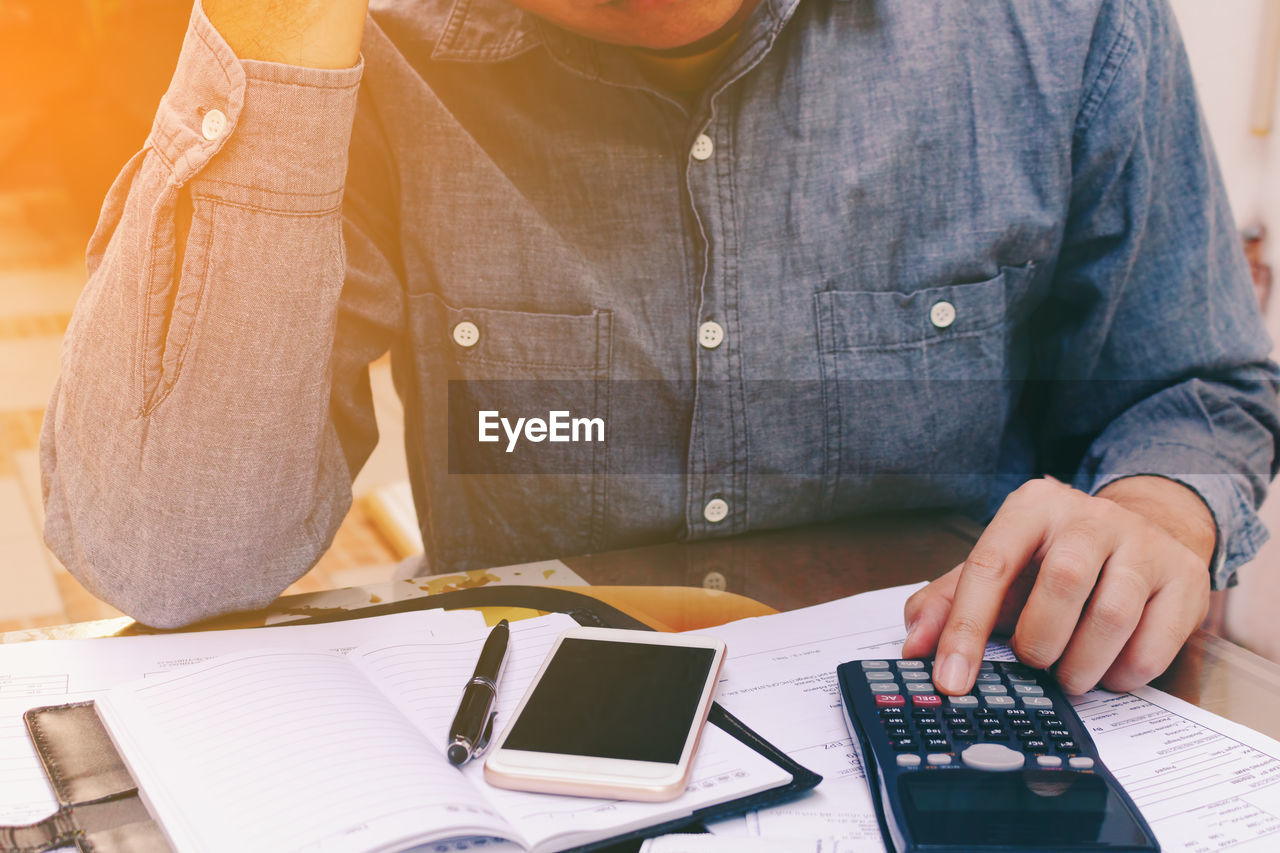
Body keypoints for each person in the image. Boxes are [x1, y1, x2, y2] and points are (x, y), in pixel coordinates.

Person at [40, 0, 1280, 700]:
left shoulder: (1060, 26)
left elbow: (1191, 384)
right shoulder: (382, 47)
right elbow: (170, 553)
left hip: (964, 727)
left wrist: (1159, 511)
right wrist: (274, 48)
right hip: (514, 766)